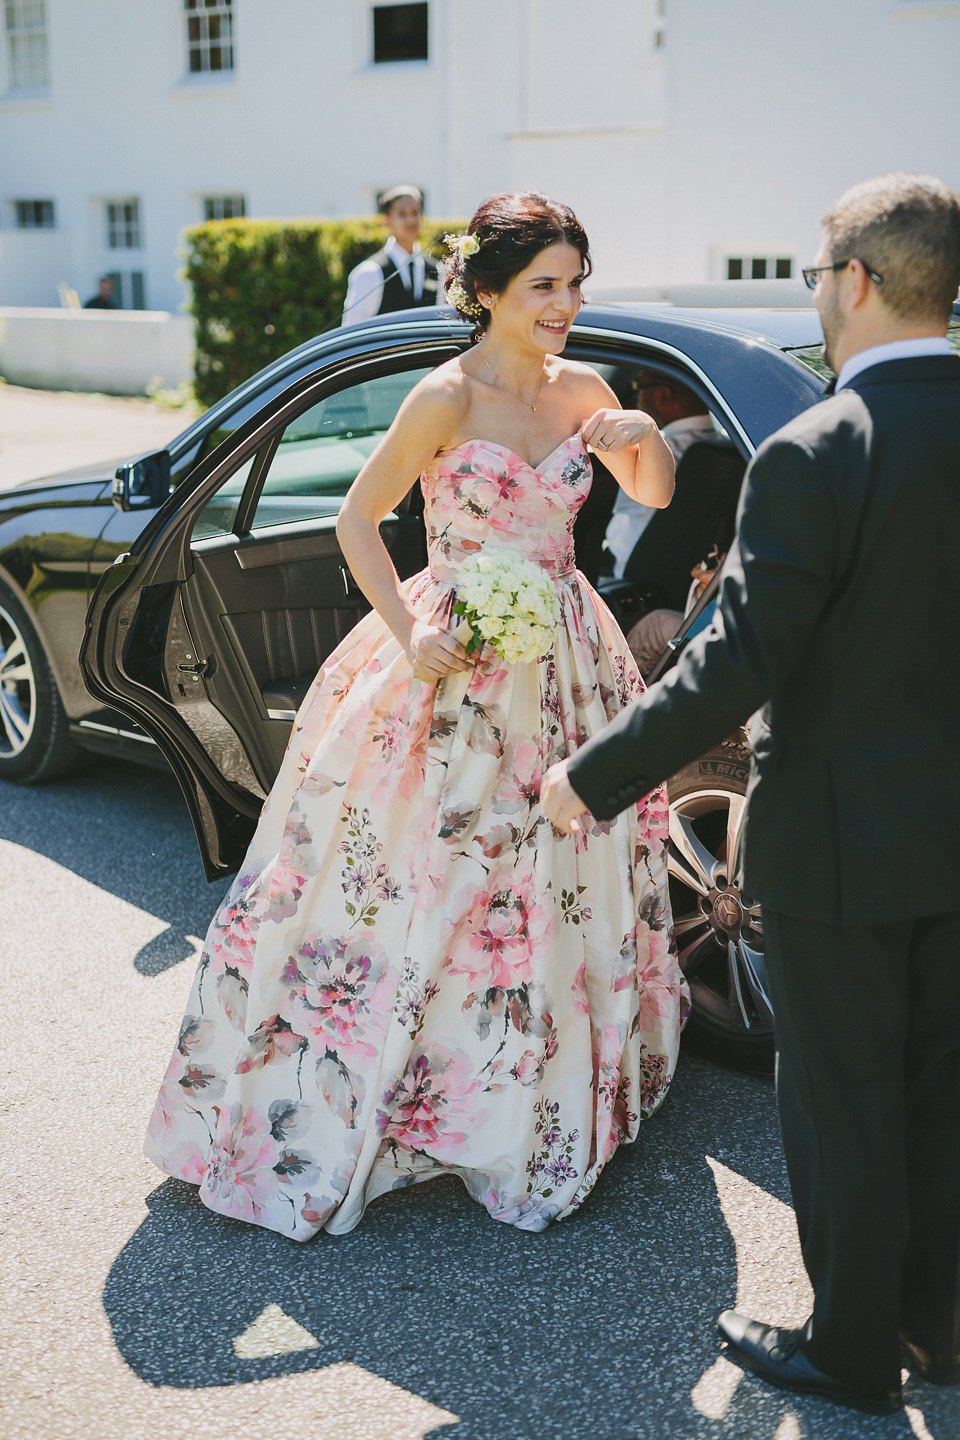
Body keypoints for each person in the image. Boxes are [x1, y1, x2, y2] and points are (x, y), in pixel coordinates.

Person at [145, 191, 686, 1242]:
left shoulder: (586, 387)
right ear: (485, 293)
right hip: (455, 655)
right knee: (427, 876)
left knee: (555, 870)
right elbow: (355, 519)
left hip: (570, 658)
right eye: (545, 287)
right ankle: (409, 1090)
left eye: (576, 285)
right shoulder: (443, 398)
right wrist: (408, 633)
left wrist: (639, 434)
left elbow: (655, 492)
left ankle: (538, 1088)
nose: (566, 304)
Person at [542, 172, 960, 1416]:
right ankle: (939, 1321)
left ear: (857, 283)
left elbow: (736, 661)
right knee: (943, 1087)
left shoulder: (819, 448)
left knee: (839, 1100)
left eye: (818, 275)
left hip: (839, 844)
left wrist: (593, 774)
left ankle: (848, 1351)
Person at [604, 371, 713, 577]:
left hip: (630, 577)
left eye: (640, 387)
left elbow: (622, 537)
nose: (637, 397)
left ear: (664, 395)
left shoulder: (658, 452)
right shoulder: (723, 446)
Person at [341, 184, 440, 325]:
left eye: (415, 212)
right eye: (402, 214)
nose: (411, 220)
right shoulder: (370, 272)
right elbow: (351, 330)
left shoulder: (438, 270)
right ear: (386, 221)